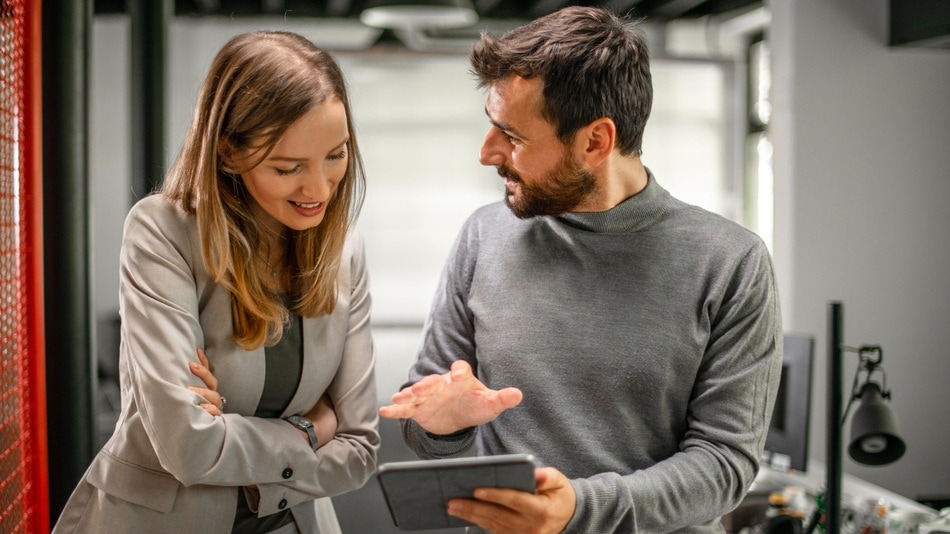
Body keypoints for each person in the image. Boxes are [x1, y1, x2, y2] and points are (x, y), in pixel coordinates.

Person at [379, 6, 782, 533]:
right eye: (490, 127)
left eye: (514, 137)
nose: (487, 153)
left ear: (596, 142)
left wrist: (577, 508)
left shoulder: (732, 262)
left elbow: (725, 464)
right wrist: (443, 426)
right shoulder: (484, 235)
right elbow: (427, 426)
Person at [53, 31, 379, 534]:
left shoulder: (345, 248)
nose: (318, 190)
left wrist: (239, 449)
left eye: (335, 156)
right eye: (287, 167)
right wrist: (311, 428)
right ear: (228, 152)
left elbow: (359, 451)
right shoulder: (162, 230)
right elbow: (189, 447)